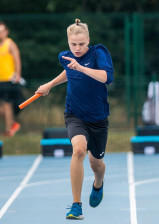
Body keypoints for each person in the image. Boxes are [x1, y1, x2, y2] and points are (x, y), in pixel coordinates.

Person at [35, 19, 113, 220]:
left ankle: (98, 183)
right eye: (73, 45)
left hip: (98, 117)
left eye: (81, 44)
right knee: (78, 149)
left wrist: (81, 68)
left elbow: (106, 77)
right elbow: (69, 72)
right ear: (68, 42)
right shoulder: (65, 56)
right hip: (74, 114)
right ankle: (76, 205)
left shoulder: (99, 53)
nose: (77, 48)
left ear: (88, 40)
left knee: (97, 163)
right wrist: (50, 84)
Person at [0, 21, 22, 137]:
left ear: (6, 32)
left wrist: (18, 74)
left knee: (7, 104)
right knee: (3, 107)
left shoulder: (10, 44)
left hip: (9, 80)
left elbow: (17, 59)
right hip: (0, 80)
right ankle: (13, 124)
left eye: (2, 31)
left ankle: (9, 130)